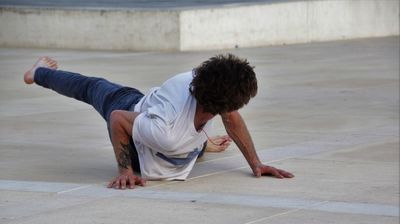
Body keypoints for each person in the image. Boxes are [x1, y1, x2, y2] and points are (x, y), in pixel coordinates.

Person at [23, 54, 294, 190]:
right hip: (133, 111)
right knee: (92, 88)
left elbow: (231, 118)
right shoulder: (167, 130)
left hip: (150, 118)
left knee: (94, 87)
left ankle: (202, 145)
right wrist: (125, 170)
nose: (234, 112)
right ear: (221, 108)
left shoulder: (200, 90)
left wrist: (256, 163)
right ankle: (39, 73)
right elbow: (118, 119)